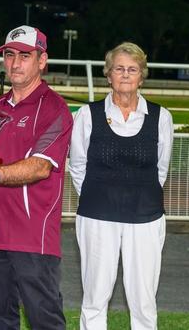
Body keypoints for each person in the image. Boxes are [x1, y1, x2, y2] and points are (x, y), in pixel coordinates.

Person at [69, 42, 173, 330]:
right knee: (94, 298)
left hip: (146, 218)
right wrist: (101, 196)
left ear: (142, 76)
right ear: (108, 74)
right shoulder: (87, 115)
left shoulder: (161, 117)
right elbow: (78, 166)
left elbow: (160, 169)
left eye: (132, 69)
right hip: (96, 216)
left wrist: (136, 195)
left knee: (143, 301)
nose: (125, 75)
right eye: (119, 69)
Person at [0, 25, 72, 330]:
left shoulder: (55, 108)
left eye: (25, 56)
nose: (15, 63)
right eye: (10, 55)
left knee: (44, 320)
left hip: (33, 238)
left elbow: (39, 167)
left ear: (42, 61)